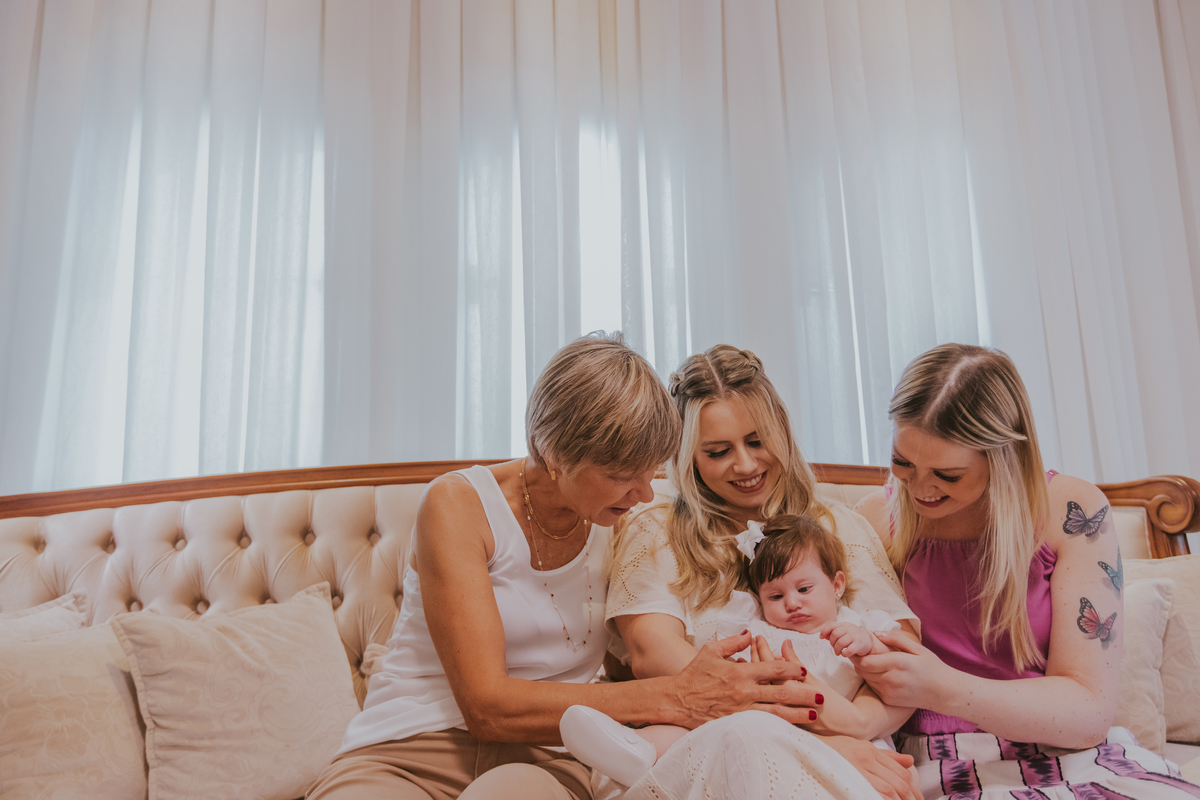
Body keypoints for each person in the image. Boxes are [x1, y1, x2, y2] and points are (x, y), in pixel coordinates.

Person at [306, 334, 822, 800]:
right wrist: (677, 696)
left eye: (651, 472)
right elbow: (486, 707)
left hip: (550, 757)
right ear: (554, 455)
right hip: (410, 748)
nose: (645, 494)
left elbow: (634, 654)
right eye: (623, 476)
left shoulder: (626, 519)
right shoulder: (459, 505)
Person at [852, 342, 1200, 799]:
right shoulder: (874, 521)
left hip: (1066, 756)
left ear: (1005, 456)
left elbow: (1088, 712)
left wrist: (940, 687)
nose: (919, 488)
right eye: (903, 462)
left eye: (948, 475)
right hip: (936, 766)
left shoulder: (1072, 510)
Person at [604, 344, 922, 800]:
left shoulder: (836, 525)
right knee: (748, 750)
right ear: (689, 457)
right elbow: (652, 654)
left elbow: (903, 656)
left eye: (757, 441)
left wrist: (858, 724)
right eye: (718, 451)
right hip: (703, 745)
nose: (746, 465)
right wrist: (815, 742)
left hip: (850, 741)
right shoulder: (656, 528)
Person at [560, 513, 914, 791]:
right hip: (760, 720)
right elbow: (727, 676)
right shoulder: (759, 631)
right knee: (699, 728)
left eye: (805, 589)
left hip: (845, 731)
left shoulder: (858, 625)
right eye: (775, 596)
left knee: (888, 773)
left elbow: (896, 667)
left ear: (836, 585)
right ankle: (637, 748)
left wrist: (868, 643)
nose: (792, 603)